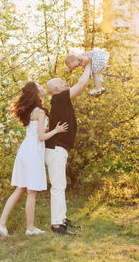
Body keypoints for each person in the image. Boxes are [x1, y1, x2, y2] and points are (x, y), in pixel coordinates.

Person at [0, 81, 68, 237]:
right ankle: (30, 228)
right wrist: (56, 130)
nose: (42, 88)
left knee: (21, 189)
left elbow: (37, 131)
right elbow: (41, 137)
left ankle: (1, 223)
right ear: (36, 92)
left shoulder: (32, 110)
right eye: (40, 86)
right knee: (31, 192)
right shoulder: (39, 111)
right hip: (33, 152)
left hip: (26, 150)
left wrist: (51, 128)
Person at [45, 61, 92, 235]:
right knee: (58, 186)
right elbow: (81, 85)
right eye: (62, 83)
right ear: (56, 88)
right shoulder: (58, 98)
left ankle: (62, 219)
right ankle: (57, 225)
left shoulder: (59, 100)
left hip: (59, 149)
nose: (66, 84)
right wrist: (88, 65)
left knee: (60, 185)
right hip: (56, 149)